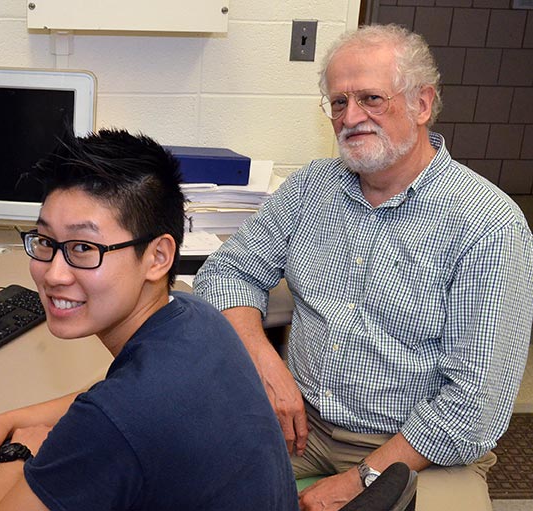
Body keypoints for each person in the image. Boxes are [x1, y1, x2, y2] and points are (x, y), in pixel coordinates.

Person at [193, 23, 533, 511]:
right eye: (338, 102)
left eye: (372, 98)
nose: (351, 117)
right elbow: (228, 273)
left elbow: (474, 406)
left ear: (421, 104)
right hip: (299, 421)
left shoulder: (487, 225)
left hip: (416, 447)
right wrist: (268, 366)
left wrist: (361, 478)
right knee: (180, 475)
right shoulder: (312, 187)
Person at [0, 128, 299, 511]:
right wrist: (7, 420)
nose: (54, 273)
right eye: (45, 241)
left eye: (83, 248)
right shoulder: (198, 318)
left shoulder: (112, 422)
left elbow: (115, 415)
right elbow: (110, 398)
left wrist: (20, 450)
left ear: (157, 257)